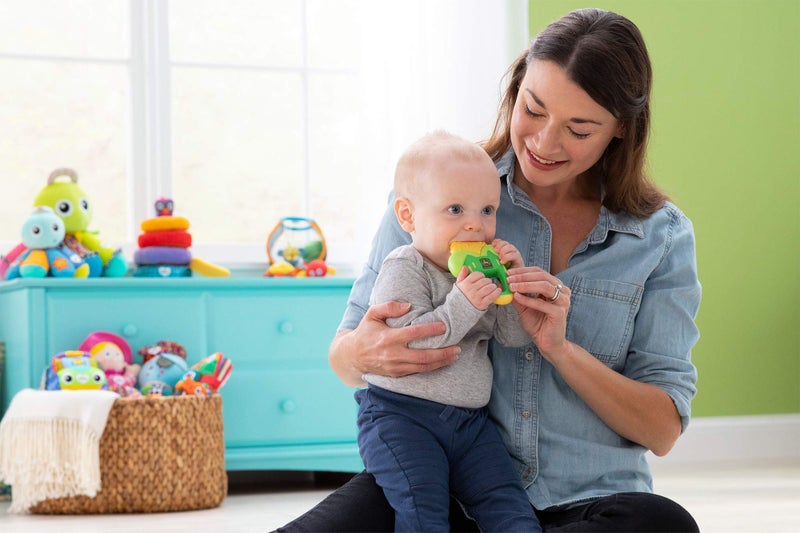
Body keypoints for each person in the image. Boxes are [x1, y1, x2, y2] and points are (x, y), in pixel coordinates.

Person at [276, 7, 701, 532]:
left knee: (664, 526)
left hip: (587, 503)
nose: (544, 143)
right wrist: (364, 351)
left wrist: (559, 350)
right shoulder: (439, 193)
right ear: (516, 88)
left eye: (579, 128)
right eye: (534, 109)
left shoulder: (660, 237)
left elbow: (661, 430)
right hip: (438, 484)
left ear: (620, 130)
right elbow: (345, 360)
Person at [355, 130, 541, 532]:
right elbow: (413, 338)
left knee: (509, 505)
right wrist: (465, 303)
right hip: (401, 416)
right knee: (423, 510)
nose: (476, 226)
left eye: (487, 210)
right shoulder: (405, 266)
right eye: (455, 210)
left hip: (470, 424)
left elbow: (511, 337)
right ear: (407, 216)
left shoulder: (477, 274)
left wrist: (510, 284)